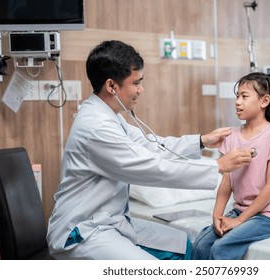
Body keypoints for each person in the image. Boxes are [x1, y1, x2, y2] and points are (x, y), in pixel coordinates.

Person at [46, 40, 253, 260]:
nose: (140, 90)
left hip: (109, 221)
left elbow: (152, 146)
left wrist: (201, 141)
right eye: (136, 83)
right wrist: (217, 166)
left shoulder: (110, 118)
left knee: (184, 245)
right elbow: (150, 168)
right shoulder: (96, 127)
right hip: (83, 232)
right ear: (111, 86)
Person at [192, 72, 270, 260]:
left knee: (220, 248)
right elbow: (227, 183)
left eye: (244, 96)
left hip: (269, 216)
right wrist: (217, 216)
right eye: (237, 96)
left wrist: (239, 221)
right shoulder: (231, 136)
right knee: (201, 244)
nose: (237, 102)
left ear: (264, 101)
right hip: (240, 210)